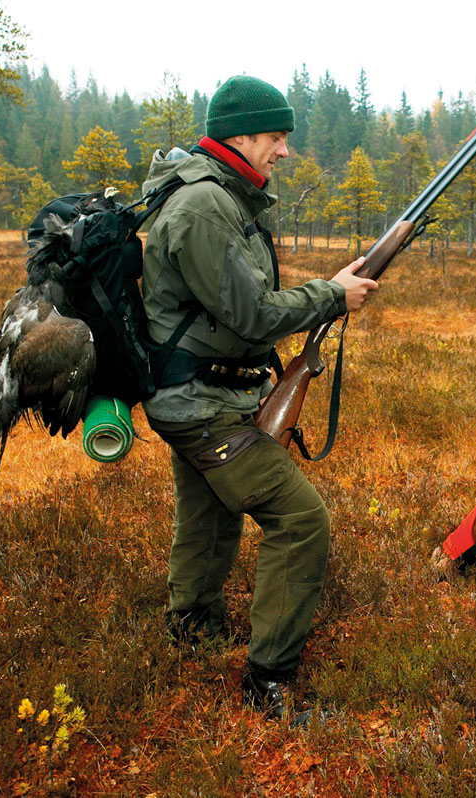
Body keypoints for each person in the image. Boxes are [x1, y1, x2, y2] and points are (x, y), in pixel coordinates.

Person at [139, 75, 377, 723]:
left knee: (210, 513)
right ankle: (266, 684)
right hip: (200, 405)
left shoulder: (214, 197)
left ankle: (192, 629)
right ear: (240, 136)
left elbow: (229, 311)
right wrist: (331, 296)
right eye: (277, 137)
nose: (285, 151)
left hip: (203, 395)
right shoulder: (204, 207)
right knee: (301, 522)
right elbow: (248, 314)